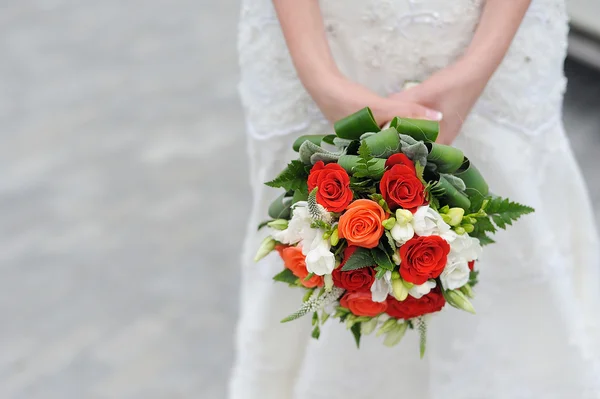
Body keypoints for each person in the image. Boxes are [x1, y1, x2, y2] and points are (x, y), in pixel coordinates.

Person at [230, 0, 600, 398]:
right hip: (319, 31)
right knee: (308, 230)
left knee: (514, 206)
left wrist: (477, 67)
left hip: (493, 26)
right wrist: (320, 78)